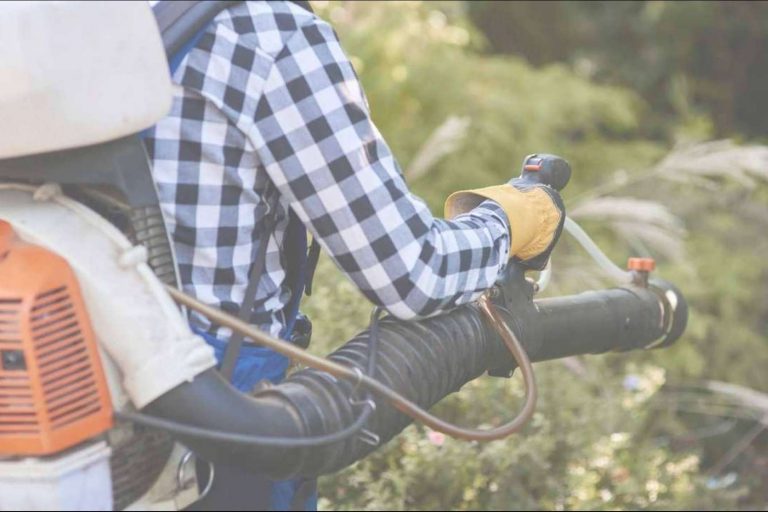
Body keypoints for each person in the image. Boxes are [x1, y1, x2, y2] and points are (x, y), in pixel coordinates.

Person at [145, 1, 564, 510]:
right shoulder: (264, 36)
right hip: (215, 430)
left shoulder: (48, 20)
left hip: (54, 391)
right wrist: (515, 219)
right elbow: (414, 272)